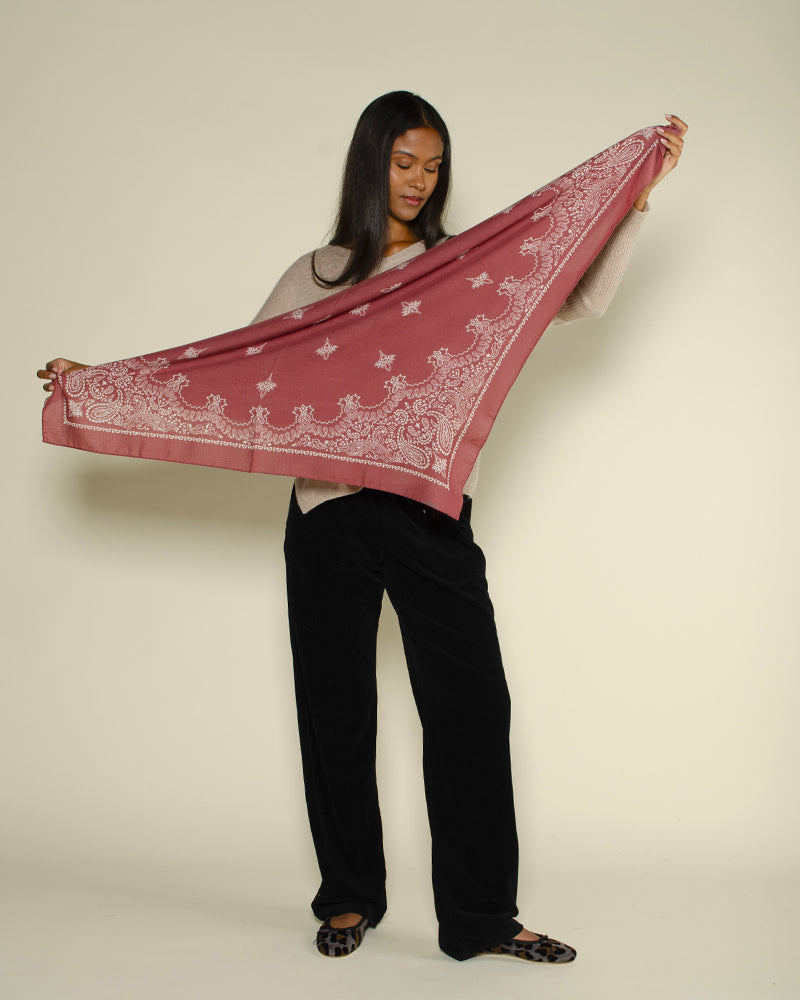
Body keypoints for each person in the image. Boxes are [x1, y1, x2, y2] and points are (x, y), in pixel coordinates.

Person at [38, 92, 687, 963]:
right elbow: (234, 375)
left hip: (428, 514)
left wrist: (633, 201)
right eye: (403, 161)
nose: (419, 180)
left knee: (471, 709)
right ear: (370, 163)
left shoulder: (462, 266)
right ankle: (348, 897)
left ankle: (482, 919)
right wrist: (105, 381)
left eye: (433, 165)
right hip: (329, 513)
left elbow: (578, 302)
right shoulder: (318, 274)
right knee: (336, 710)